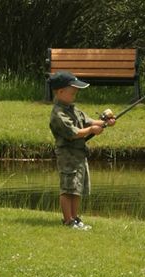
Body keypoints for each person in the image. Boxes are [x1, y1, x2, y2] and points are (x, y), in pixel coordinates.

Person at [49, 71, 115, 230]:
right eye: (72, 92)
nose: (75, 95)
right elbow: (73, 133)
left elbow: (88, 121)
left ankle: (75, 218)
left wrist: (104, 122)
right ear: (60, 92)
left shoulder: (73, 108)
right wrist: (92, 130)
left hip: (79, 153)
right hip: (67, 155)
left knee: (77, 188)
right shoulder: (58, 114)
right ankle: (68, 220)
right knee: (68, 188)